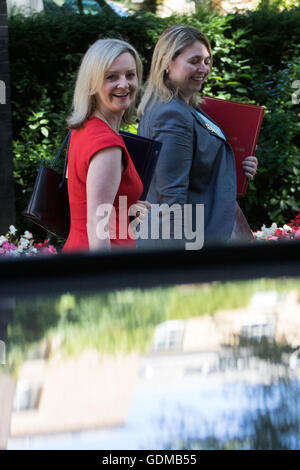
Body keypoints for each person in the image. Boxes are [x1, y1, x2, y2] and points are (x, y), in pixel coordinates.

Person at [137, 25, 258, 247]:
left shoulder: (184, 107)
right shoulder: (172, 115)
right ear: (166, 62)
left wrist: (235, 166)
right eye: (194, 61)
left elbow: (196, 169)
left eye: (206, 61)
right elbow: (170, 200)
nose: (203, 68)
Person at [63, 38, 149, 253]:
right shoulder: (107, 146)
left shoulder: (85, 127)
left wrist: (126, 212)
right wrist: (106, 283)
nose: (124, 84)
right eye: (111, 77)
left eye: (130, 75)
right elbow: (96, 226)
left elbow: (85, 201)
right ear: (93, 83)